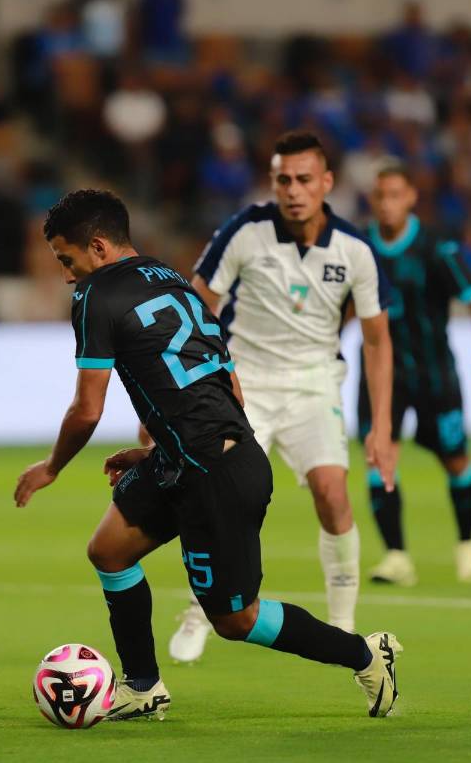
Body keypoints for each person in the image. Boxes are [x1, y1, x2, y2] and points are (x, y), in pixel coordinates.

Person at [13, 189, 402, 721]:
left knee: (236, 621)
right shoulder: (173, 281)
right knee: (109, 551)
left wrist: (52, 467)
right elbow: (226, 384)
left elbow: (87, 410)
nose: (65, 275)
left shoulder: (95, 294)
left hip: (214, 473)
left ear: (98, 248)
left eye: (67, 259)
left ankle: (366, 654)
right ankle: (143, 686)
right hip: (195, 457)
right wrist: (158, 449)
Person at [168, 130, 397, 664]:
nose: (293, 190)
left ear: (327, 182)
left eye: (304, 179)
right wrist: (187, 392)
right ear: (272, 182)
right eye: (283, 180)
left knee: (333, 495)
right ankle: (202, 610)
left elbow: (378, 341)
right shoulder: (244, 231)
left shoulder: (355, 251)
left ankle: (343, 624)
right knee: (224, 500)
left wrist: (382, 425)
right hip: (243, 381)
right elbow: (197, 307)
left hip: (314, 382)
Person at [359, 165, 471, 586]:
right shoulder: (359, 247)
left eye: (395, 194)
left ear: (411, 198)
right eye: (380, 195)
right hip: (382, 373)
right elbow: (347, 303)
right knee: (380, 456)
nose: (387, 204)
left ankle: (467, 544)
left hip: (434, 371)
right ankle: (396, 556)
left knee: (455, 458)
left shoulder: (436, 247)